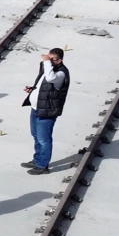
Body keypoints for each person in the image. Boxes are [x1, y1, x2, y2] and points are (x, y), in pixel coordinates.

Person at [23, 47, 68, 175]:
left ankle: (42, 166)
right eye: (48, 57)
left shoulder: (61, 74)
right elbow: (44, 86)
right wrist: (32, 89)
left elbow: (49, 79)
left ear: (59, 61)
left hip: (47, 111)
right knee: (36, 136)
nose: (48, 60)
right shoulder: (49, 69)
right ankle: (37, 159)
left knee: (44, 139)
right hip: (36, 108)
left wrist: (47, 62)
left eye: (51, 59)